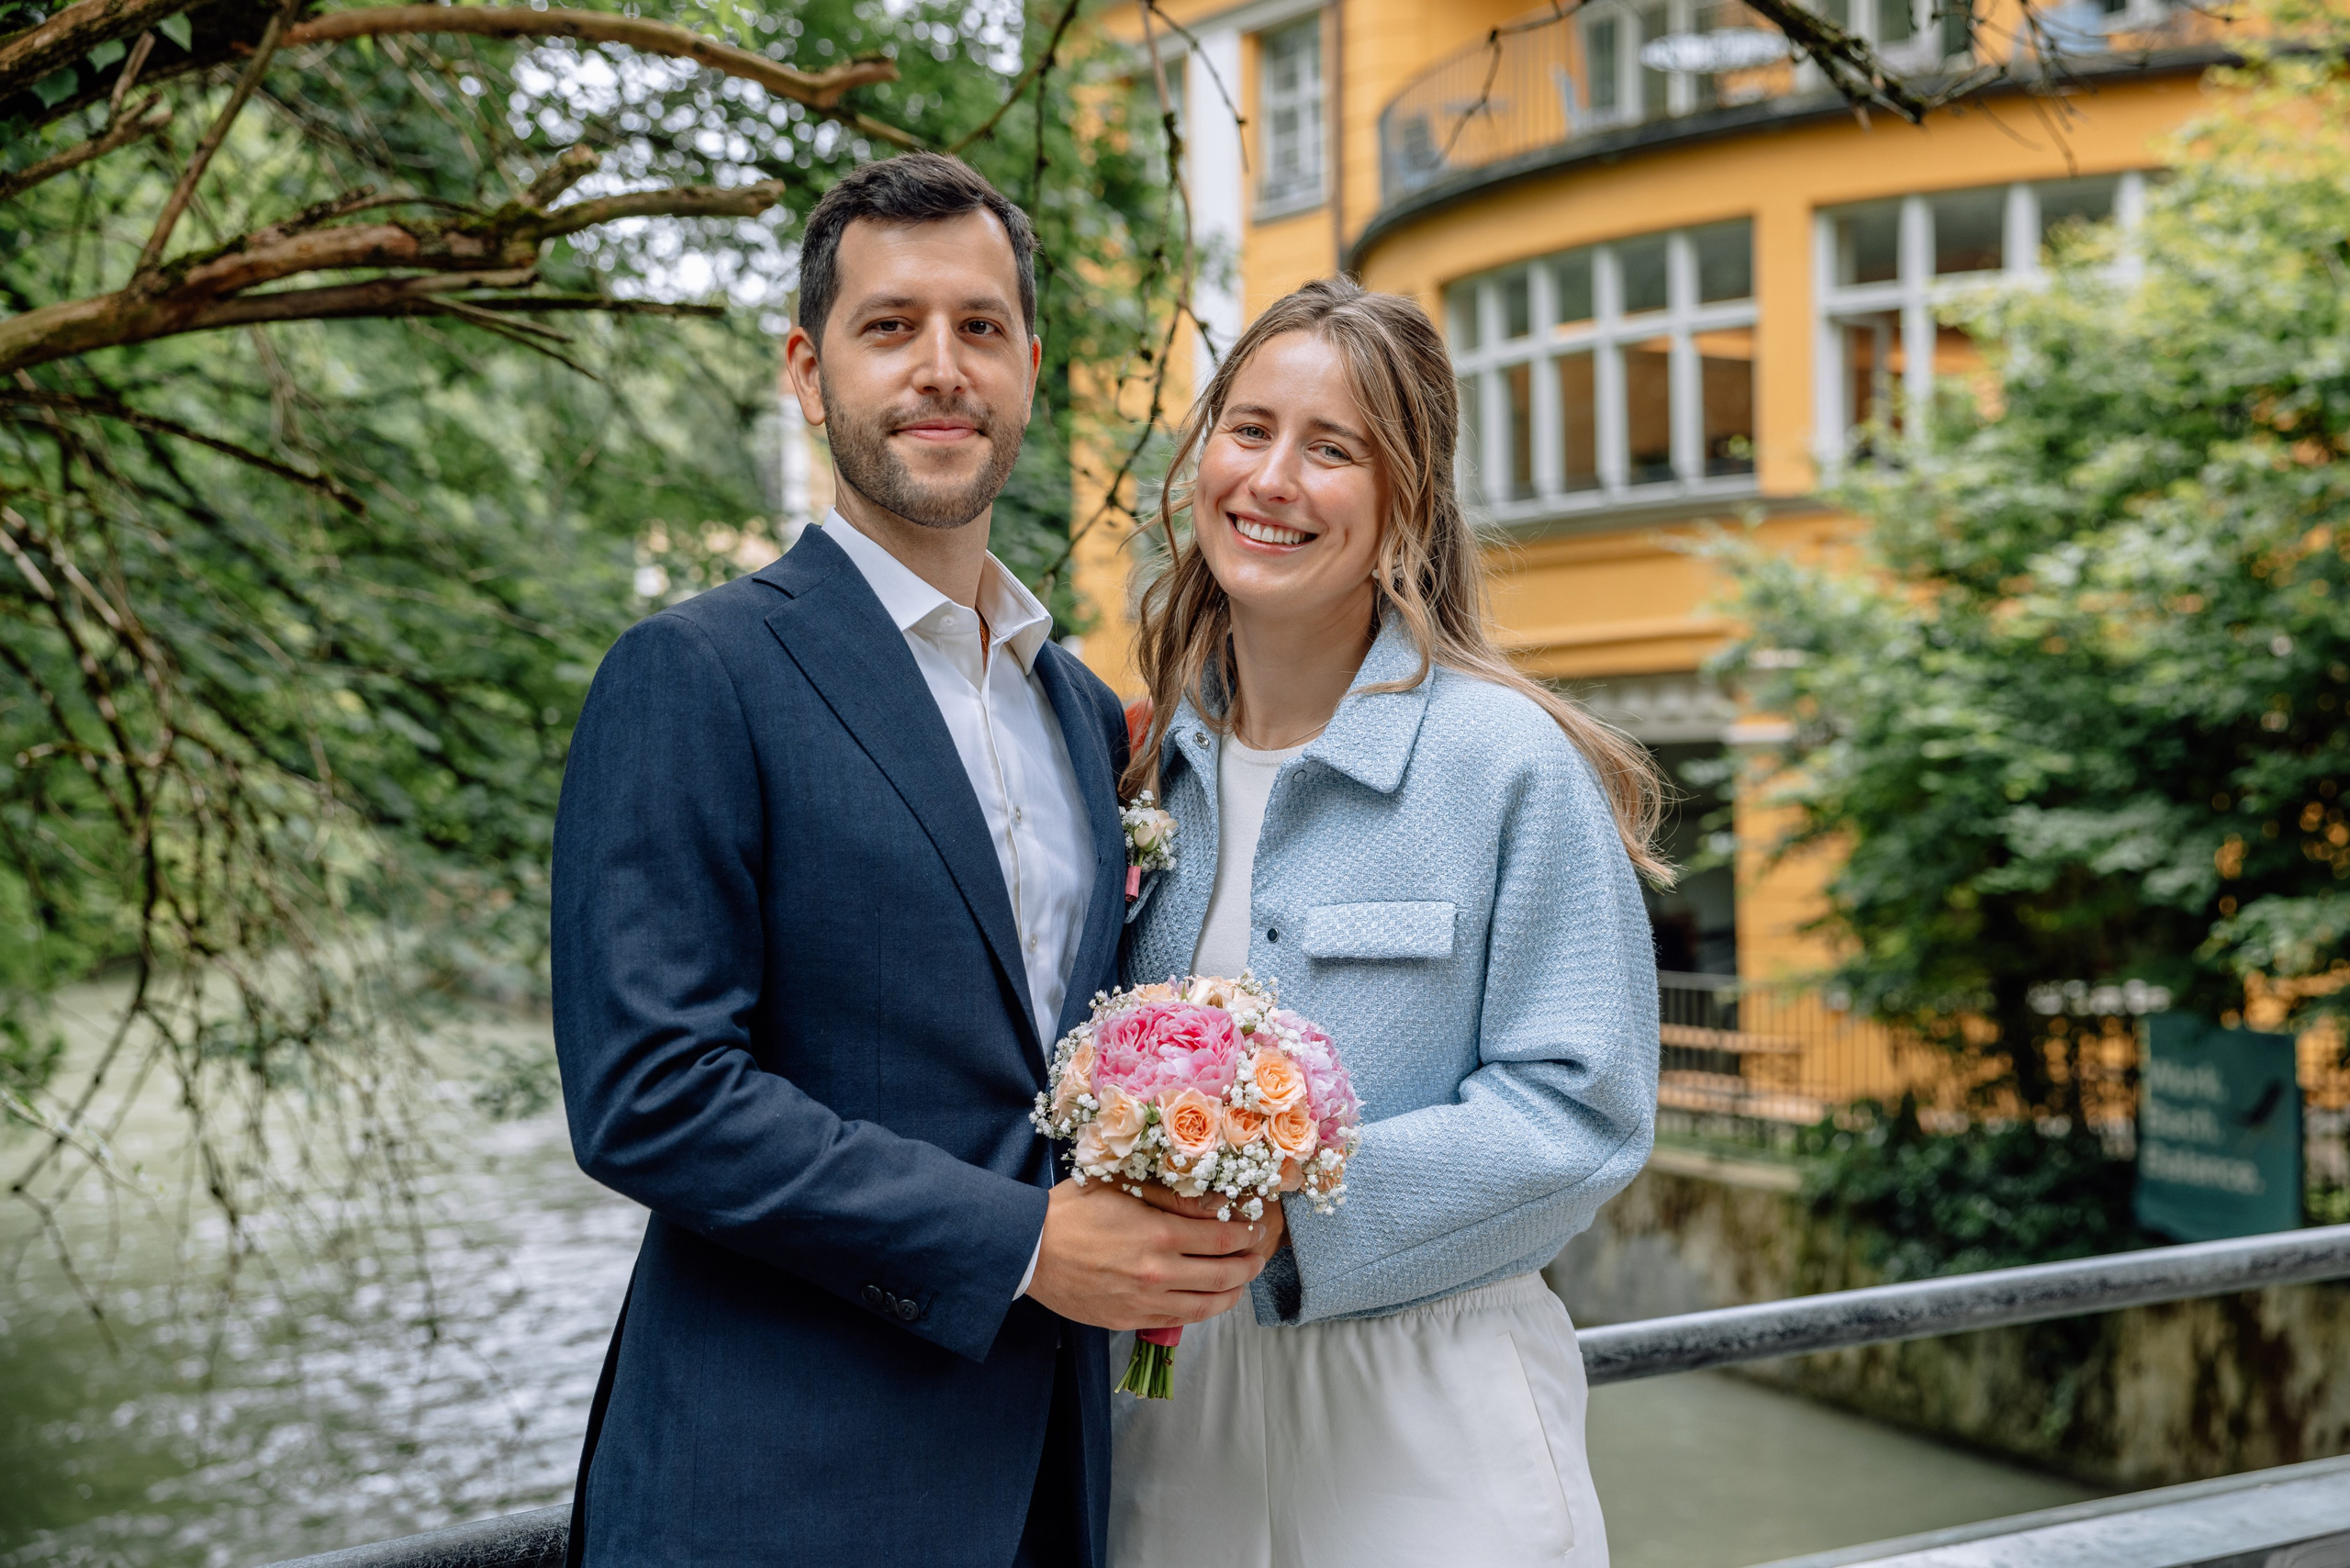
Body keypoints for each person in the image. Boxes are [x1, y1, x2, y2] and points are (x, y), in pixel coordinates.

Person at [549, 151, 1278, 1568]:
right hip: (778, 1489)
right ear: (809, 374)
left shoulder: (1078, 709)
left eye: (979, 327)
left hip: (1050, 1483)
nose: (941, 368)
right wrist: (1019, 1242)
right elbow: (647, 1096)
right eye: (891, 328)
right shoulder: (694, 673)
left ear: (1028, 366)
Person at [1109, 277, 1666, 1567]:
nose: (1273, 479)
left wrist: (1299, 1222)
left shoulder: (1506, 763)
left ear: (1406, 499)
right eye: (1248, 431)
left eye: (1334, 447)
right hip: (1162, 1414)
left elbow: (1586, 1111)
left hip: (1431, 1415)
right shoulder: (1137, 766)